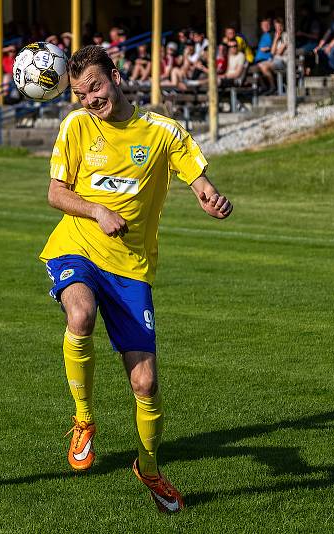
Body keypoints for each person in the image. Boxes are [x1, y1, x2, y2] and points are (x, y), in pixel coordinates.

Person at [41, 45, 232, 514]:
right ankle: (84, 420)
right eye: (80, 93)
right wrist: (97, 210)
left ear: (116, 77)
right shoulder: (77, 126)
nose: (89, 99)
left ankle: (148, 468)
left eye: (96, 88)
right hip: (77, 247)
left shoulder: (162, 132)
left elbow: (198, 178)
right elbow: (55, 193)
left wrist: (210, 197)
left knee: (145, 384)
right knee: (80, 314)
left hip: (131, 269)